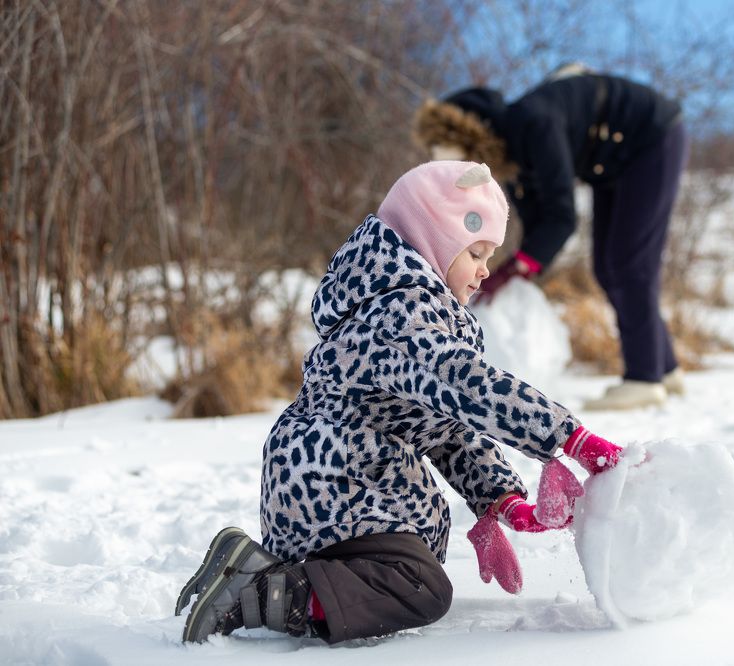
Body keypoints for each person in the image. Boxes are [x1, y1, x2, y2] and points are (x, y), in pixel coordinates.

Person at [174, 161, 623, 645]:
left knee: (402, 573)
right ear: (435, 241)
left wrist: (500, 500)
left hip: (334, 482)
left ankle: (257, 572)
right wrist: (568, 438)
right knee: (418, 587)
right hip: (340, 480)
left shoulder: (404, 306)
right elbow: (465, 383)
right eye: (475, 252)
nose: (485, 269)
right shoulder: (400, 312)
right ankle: (257, 592)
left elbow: (447, 430)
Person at [414, 67, 689, 410]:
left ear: (473, 137)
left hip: (651, 138)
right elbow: (537, 224)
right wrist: (514, 269)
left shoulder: (533, 123)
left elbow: (561, 217)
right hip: (613, 162)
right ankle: (665, 369)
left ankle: (644, 378)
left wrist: (515, 269)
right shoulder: (510, 159)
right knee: (608, 267)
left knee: (628, 264)